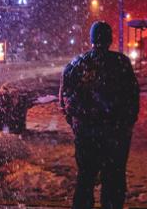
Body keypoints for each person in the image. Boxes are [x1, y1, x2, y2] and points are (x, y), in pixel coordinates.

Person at [59, 21, 140, 209]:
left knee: (85, 180)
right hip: (116, 136)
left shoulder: (77, 64)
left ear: (92, 39)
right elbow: (133, 98)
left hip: (87, 135)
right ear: (110, 39)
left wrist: (78, 124)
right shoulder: (121, 63)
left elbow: (65, 102)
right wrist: (124, 125)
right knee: (114, 181)